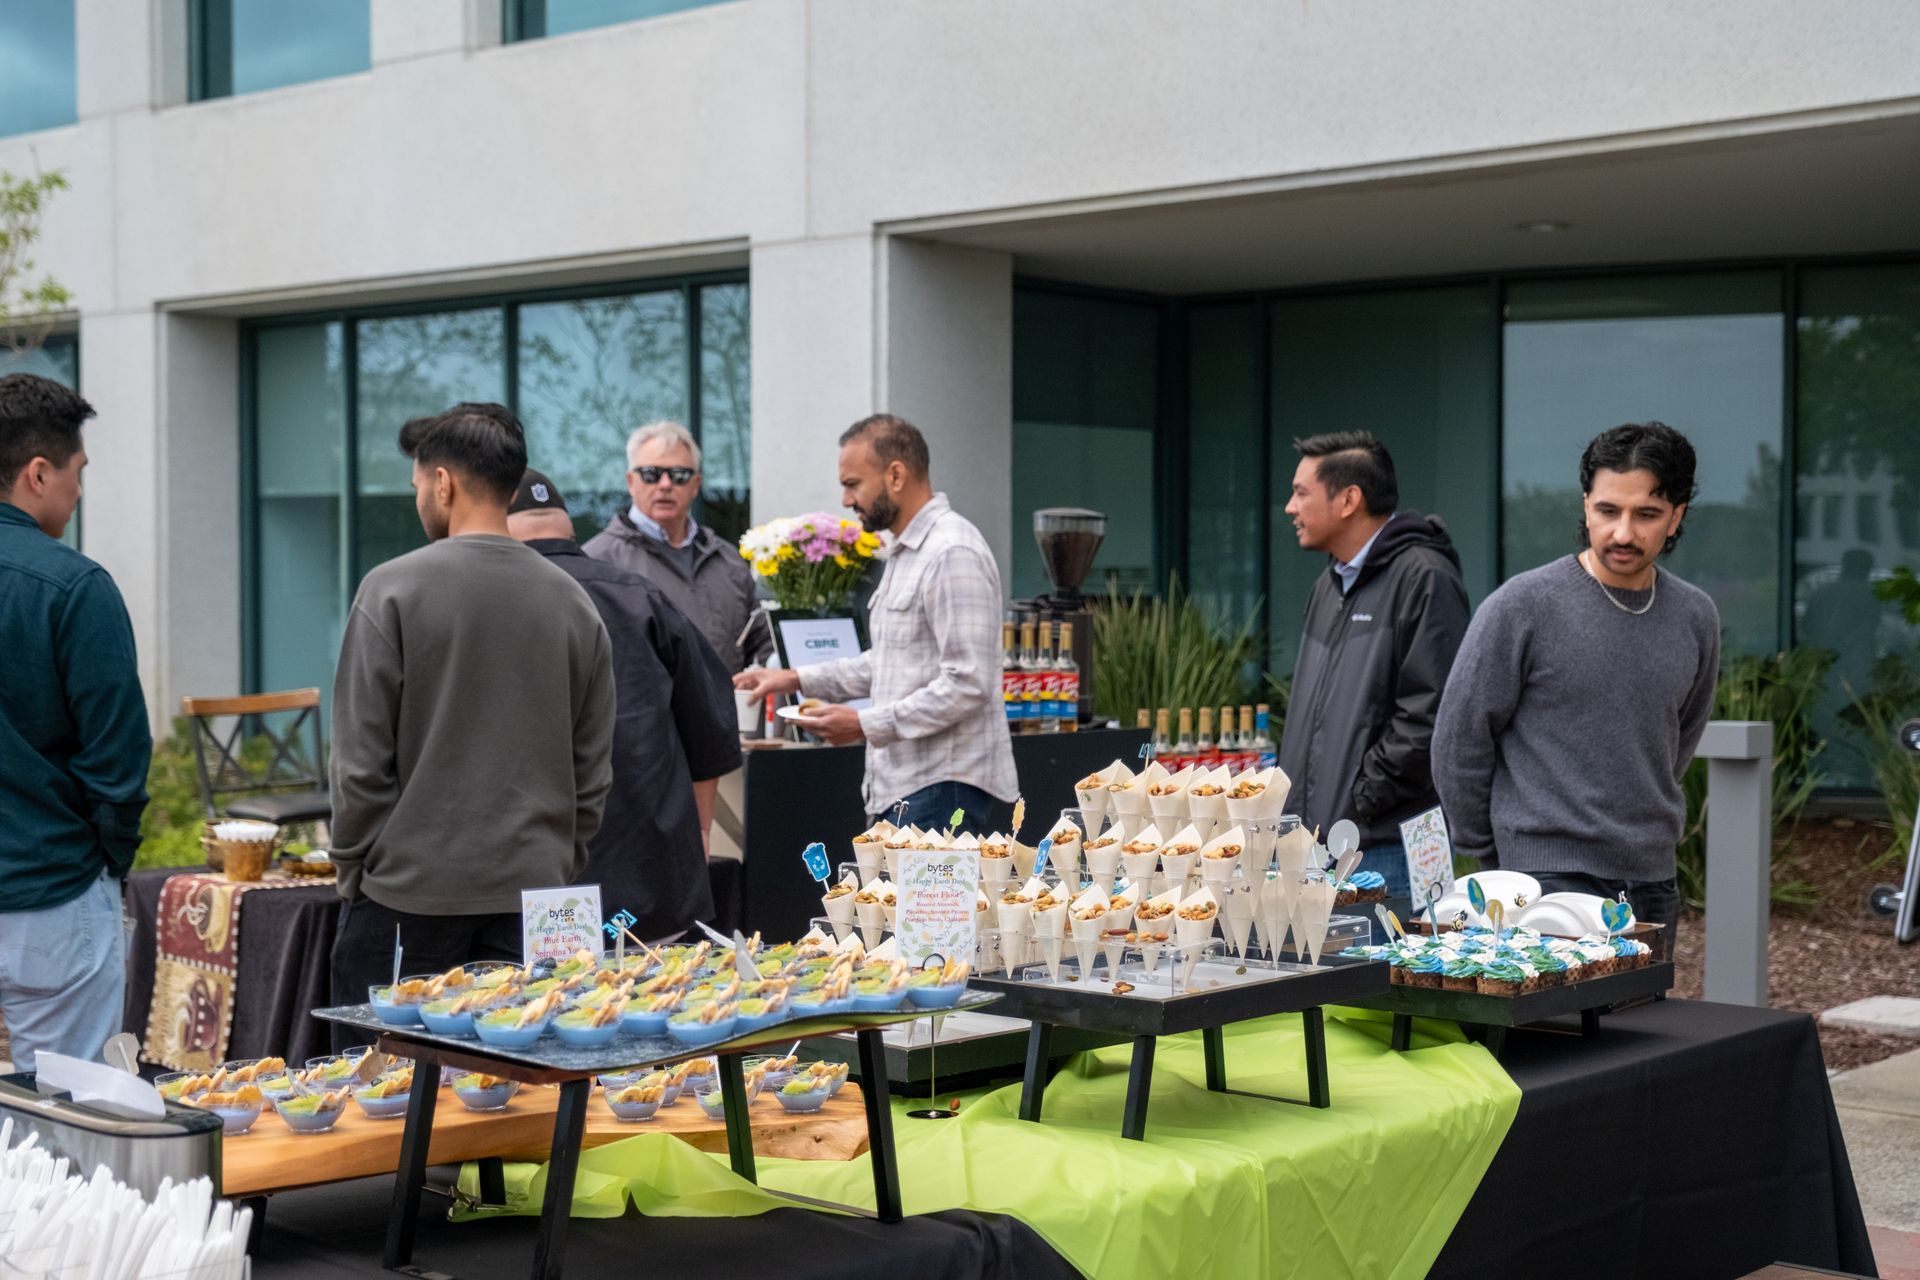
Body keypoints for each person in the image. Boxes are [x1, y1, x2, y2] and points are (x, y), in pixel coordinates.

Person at [328, 405, 615, 1045]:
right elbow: (592, 770)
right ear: (511, 489)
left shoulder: (392, 589)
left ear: (442, 483)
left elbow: (357, 763)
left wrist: (357, 870)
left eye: (415, 486)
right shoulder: (572, 600)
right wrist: (554, 856)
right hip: (535, 900)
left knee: (383, 1110)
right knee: (516, 1110)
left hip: (407, 897)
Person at [1432, 422, 1720, 955]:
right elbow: (1459, 740)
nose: (1623, 533)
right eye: (1608, 511)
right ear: (1586, 504)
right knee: (1554, 1037)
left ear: (1677, 516)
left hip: (1651, 880)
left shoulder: (1695, 615)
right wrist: (1494, 860)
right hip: (1540, 883)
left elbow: (1677, 739)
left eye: (1647, 514)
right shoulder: (1522, 606)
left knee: (1644, 1033)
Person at [732, 414, 1017, 833]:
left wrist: (864, 724)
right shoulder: (908, 551)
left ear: (896, 475)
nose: (846, 500)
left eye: (852, 484)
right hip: (912, 788)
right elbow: (890, 662)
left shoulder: (951, 551)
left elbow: (968, 683)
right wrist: (792, 678)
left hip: (943, 788)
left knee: (916, 903)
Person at [507, 466, 742, 942]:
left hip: (530, 889)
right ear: (567, 526)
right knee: (656, 1007)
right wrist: (697, 833)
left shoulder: (490, 602)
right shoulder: (639, 594)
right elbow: (712, 725)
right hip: (652, 883)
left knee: (546, 1008)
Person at [0, 374, 151, 1071]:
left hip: (46, 886)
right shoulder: (74, 586)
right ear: (37, 473)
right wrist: (108, 864)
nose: (80, 490)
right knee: (71, 1126)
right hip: (52, 892)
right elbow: (118, 758)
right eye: (76, 472)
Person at [1275, 431, 1470, 931]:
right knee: (1325, 1002)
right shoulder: (1329, 584)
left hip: (1388, 849)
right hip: (1323, 846)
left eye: (1301, 492)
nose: (1289, 507)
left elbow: (1433, 719)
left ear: (1348, 499)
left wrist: (1359, 800)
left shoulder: (1425, 577)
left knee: (1393, 1003)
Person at [583, 420, 770, 675]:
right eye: (651, 474)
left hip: (725, 713)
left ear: (696, 484)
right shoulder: (596, 561)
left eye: (679, 475)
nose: (665, 485)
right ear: (630, 481)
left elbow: (760, 642)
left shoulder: (729, 561)